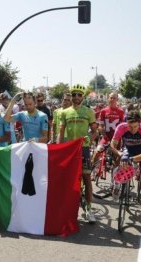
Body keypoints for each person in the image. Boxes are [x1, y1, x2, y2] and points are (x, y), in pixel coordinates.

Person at [57, 84, 98, 223]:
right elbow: (61, 132)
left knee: (86, 177)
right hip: (69, 149)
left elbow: (95, 131)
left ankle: (89, 209)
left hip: (83, 149)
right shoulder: (64, 112)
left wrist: (90, 140)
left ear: (83, 97)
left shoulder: (89, 112)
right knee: (67, 179)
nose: (76, 97)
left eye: (79, 95)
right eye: (74, 94)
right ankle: (66, 207)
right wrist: (58, 149)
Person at [93, 92, 124, 164]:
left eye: (114, 98)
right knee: (97, 152)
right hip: (106, 137)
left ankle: (115, 172)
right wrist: (105, 137)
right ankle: (92, 171)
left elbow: (122, 127)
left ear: (117, 100)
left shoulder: (121, 111)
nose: (112, 99)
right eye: (111, 98)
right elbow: (100, 126)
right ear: (108, 99)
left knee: (118, 158)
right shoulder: (103, 111)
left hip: (116, 139)